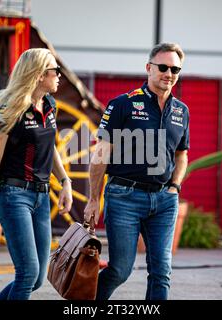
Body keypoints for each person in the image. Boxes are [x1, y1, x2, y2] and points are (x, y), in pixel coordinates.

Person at [84, 43, 189, 300]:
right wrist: (93, 199)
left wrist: (175, 186)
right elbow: (100, 155)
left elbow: (181, 154)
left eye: (175, 69)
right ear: (148, 68)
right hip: (124, 198)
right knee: (120, 270)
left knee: (162, 271)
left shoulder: (181, 111)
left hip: (164, 201)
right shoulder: (122, 104)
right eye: (163, 67)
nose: (169, 73)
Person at [0, 48, 73, 300]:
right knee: (27, 273)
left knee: (36, 278)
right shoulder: (9, 108)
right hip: (14, 196)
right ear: (38, 75)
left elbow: (50, 148)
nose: (59, 75)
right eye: (54, 71)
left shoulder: (49, 104)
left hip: (41, 196)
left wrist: (65, 181)